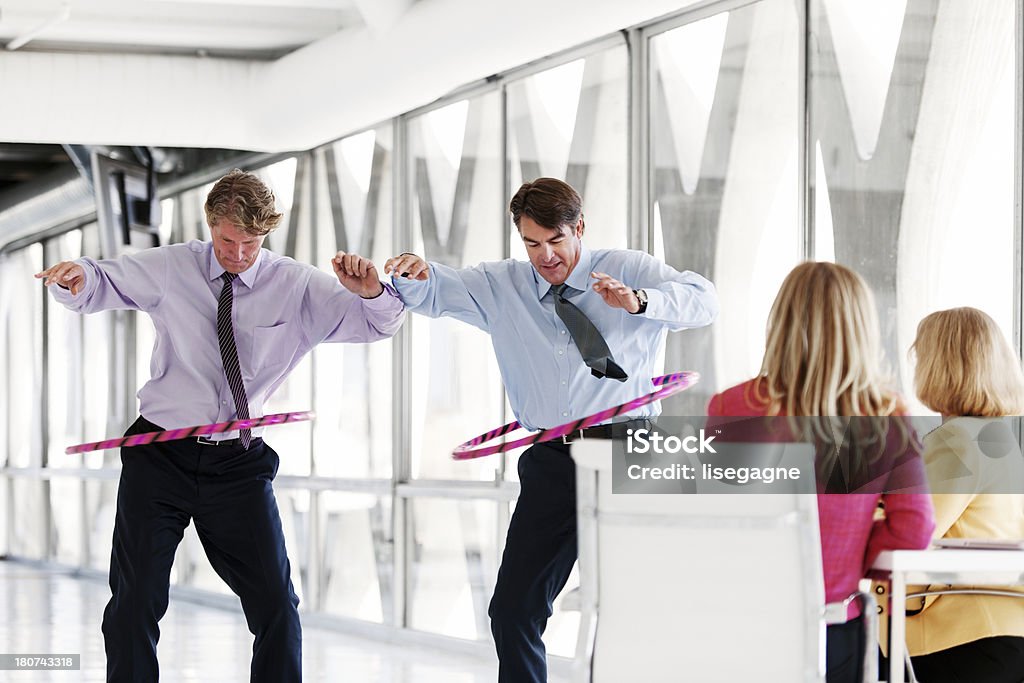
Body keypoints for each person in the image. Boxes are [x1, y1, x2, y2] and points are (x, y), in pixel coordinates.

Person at [35, 169, 405, 682]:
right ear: (211, 225)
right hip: (158, 456)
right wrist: (74, 277)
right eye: (228, 240)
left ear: (266, 234)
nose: (238, 254)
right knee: (135, 600)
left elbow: (376, 324)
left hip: (238, 463)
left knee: (277, 604)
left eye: (250, 243)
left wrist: (372, 293)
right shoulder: (174, 267)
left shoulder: (295, 286)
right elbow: (103, 279)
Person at [384, 177, 718, 682]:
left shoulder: (629, 268)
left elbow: (704, 300)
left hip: (630, 450)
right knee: (513, 610)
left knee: (637, 608)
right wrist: (411, 271)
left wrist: (639, 302)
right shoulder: (502, 285)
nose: (546, 256)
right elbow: (432, 290)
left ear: (579, 227)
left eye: (556, 240)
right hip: (550, 460)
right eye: (532, 243)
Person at [705, 261, 935, 683]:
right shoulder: (886, 416)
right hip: (833, 624)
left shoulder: (730, 406)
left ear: (781, 324)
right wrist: (852, 558)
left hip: (744, 626)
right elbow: (914, 527)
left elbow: (714, 519)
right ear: (862, 331)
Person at [874, 307, 1024, 682]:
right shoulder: (998, 438)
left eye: (921, 355)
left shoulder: (959, 439)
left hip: (958, 638)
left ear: (941, 365)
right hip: (1001, 630)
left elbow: (912, 528)